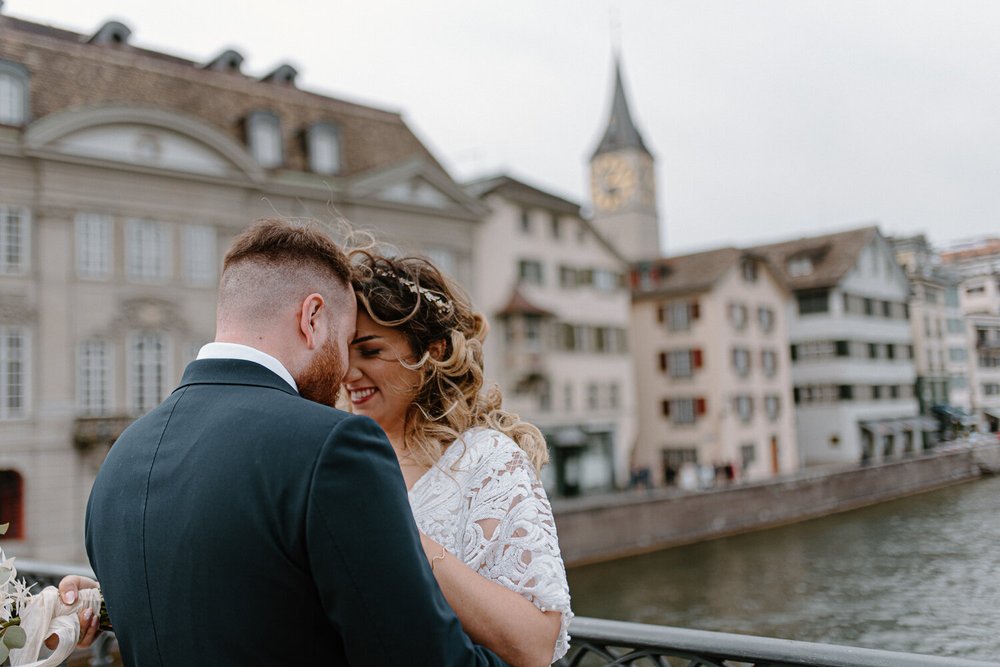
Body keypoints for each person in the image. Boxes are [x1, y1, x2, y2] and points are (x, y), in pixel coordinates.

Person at [82, 218, 508, 666]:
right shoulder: (331, 446)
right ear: (312, 318)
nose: (345, 372)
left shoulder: (121, 458)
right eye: (345, 342)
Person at [342, 249, 572, 666]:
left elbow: (535, 644)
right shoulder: (341, 455)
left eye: (370, 352)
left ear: (432, 350)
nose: (349, 373)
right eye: (345, 353)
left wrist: (399, 535)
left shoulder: (486, 461)